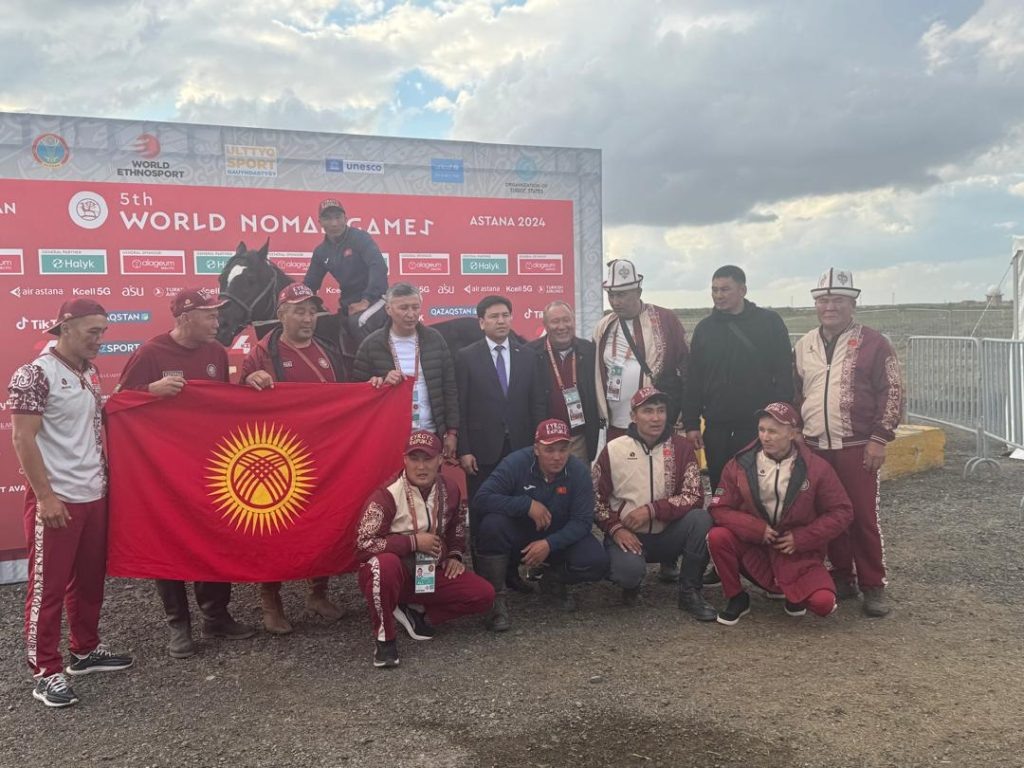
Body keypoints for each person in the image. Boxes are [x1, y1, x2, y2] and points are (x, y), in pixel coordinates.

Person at [9, 299, 133, 707]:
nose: (100, 339)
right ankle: (45, 671)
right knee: (48, 588)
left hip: (94, 494)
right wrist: (45, 496)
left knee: (89, 580)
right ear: (65, 328)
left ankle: (85, 650)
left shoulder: (89, 371)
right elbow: (22, 438)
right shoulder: (34, 374)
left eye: (103, 331)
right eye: (92, 331)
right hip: (57, 499)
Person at [117, 289, 254, 658]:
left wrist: (252, 385)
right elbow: (118, 403)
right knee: (168, 541)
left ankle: (216, 615)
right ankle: (178, 623)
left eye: (217, 315)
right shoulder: (151, 353)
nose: (217, 323)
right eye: (210, 316)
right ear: (185, 318)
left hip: (209, 465)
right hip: (162, 469)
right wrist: (149, 390)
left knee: (214, 536)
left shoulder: (216, 352)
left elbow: (223, 404)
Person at [793, 269, 903, 617]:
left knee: (862, 516)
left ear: (853, 303)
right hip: (815, 445)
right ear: (815, 304)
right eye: (823, 300)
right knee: (828, 515)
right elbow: (795, 392)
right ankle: (842, 576)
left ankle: (873, 584)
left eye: (838, 300)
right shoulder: (804, 344)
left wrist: (880, 438)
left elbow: (892, 391)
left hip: (857, 444)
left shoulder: (874, 342)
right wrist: (795, 431)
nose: (830, 307)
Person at [240, 283, 346, 634]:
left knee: (323, 522)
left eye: (312, 311)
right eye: (299, 311)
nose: (307, 318)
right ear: (281, 314)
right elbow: (238, 400)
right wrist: (250, 379)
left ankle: (318, 592)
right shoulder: (263, 352)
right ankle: (271, 601)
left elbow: (349, 397)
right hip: (281, 458)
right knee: (274, 529)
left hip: (325, 453)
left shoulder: (328, 349)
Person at [355, 431, 495, 668]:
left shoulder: (450, 488)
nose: (421, 467)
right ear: (404, 460)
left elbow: (456, 526)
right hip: (393, 575)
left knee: (484, 595)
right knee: (383, 565)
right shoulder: (386, 496)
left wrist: (454, 555)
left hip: (428, 572)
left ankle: (418, 612)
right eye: (414, 459)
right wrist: (413, 542)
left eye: (428, 459)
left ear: (440, 460)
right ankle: (385, 641)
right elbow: (363, 544)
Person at [707, 402, 854, 626]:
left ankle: (791, 594)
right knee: (717, 537)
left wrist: (802, 538)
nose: (765, 437)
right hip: (756, 547)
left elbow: (842, 511)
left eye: (773, 431)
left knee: (824, 604)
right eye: (761, 430)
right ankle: (736, 597)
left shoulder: (816, 468)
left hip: (797, 554)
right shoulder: (739, 464)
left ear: (793, 434)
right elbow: (719, 508)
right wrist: (755, 529)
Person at [592, 387, 716, 620]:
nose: (656, 418)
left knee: (701, 519)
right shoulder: (614, 449)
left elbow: (694, 495)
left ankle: (690, 591)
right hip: (629, 535)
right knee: (627, 573)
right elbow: (596, 500)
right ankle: (631, 583)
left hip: (668, 533)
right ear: (633, 416)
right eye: (648, 411)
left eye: (661, 410)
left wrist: (652, 510)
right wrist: (616, 529)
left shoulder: (682, 447)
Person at [473, 419, 609, 631]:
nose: (557, 456)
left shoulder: (579, 471)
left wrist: (549, 544)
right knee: (492, 525)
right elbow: (481, 499)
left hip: (557, 536)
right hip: (520, 535)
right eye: (549, 450)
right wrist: (525, 504)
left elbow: (583, 522)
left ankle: (553, 579)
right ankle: (495, 601)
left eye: (563, 449)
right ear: (536, 449)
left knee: (596, 561)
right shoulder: (515, 463)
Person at [682, 265, 794, 491]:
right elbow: (694, 379)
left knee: (758, 487)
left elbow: (784, 373)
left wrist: (780, 419)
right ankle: (720, 516)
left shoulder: (769, 322)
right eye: (714, 290)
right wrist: (691, 423)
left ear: (743, 290)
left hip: (758, 426)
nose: (718, 295)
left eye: (725, 289)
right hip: (716, 426)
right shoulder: (705, 329)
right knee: (721, 485)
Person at [455, 295, 546, 549]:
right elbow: (460, 407)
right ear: (481, 322)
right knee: (482, 506)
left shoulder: (527, 355)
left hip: (521, 447)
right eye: (494, 316)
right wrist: (464, 449)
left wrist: (539, 445)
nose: (501, 321)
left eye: (505, 315)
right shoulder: (466, 356)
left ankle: (516, 564)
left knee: (520, 504)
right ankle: (484, 563)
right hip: (481, 450)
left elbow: (537, 404)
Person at [352, 282, 459, 458]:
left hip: (430, 434)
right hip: (389, 437)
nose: (411, 314)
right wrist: (379, 384)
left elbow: (450, 388)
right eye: (403, 308)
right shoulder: (371, 344)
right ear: (388, 309)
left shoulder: (435, 339)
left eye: (415, 307)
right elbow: (357, 395)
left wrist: (452, 432)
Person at [594, 258, 689, 441]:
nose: (615, 302)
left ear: (638, 292)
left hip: (655, 425)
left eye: (621, 295)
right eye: (611, 295)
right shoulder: (604, 326)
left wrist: (688, 414)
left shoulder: (665, 319)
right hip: (615, 424)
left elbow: (687, 367)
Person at [303, 198, 389, 339]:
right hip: (348, 304)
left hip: (377, 299)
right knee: (326, 326)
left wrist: (366, 300)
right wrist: (300, 304)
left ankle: (371, 355)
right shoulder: (321, 251)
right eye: (328, 218)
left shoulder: (360, 238)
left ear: (346, 219)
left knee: (358, 323)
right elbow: (309, 284)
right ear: (320, 222)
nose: (334, 223)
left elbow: (378, 267)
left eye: (338, 217)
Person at [528, 300, 601, 463]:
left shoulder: (590, 351)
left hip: (579, 438)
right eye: (555, 321)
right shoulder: (530, 353)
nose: (562, 326)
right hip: (545, 441)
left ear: (574, 321)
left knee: (578, 478)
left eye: (566, 320)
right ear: (545, 325)